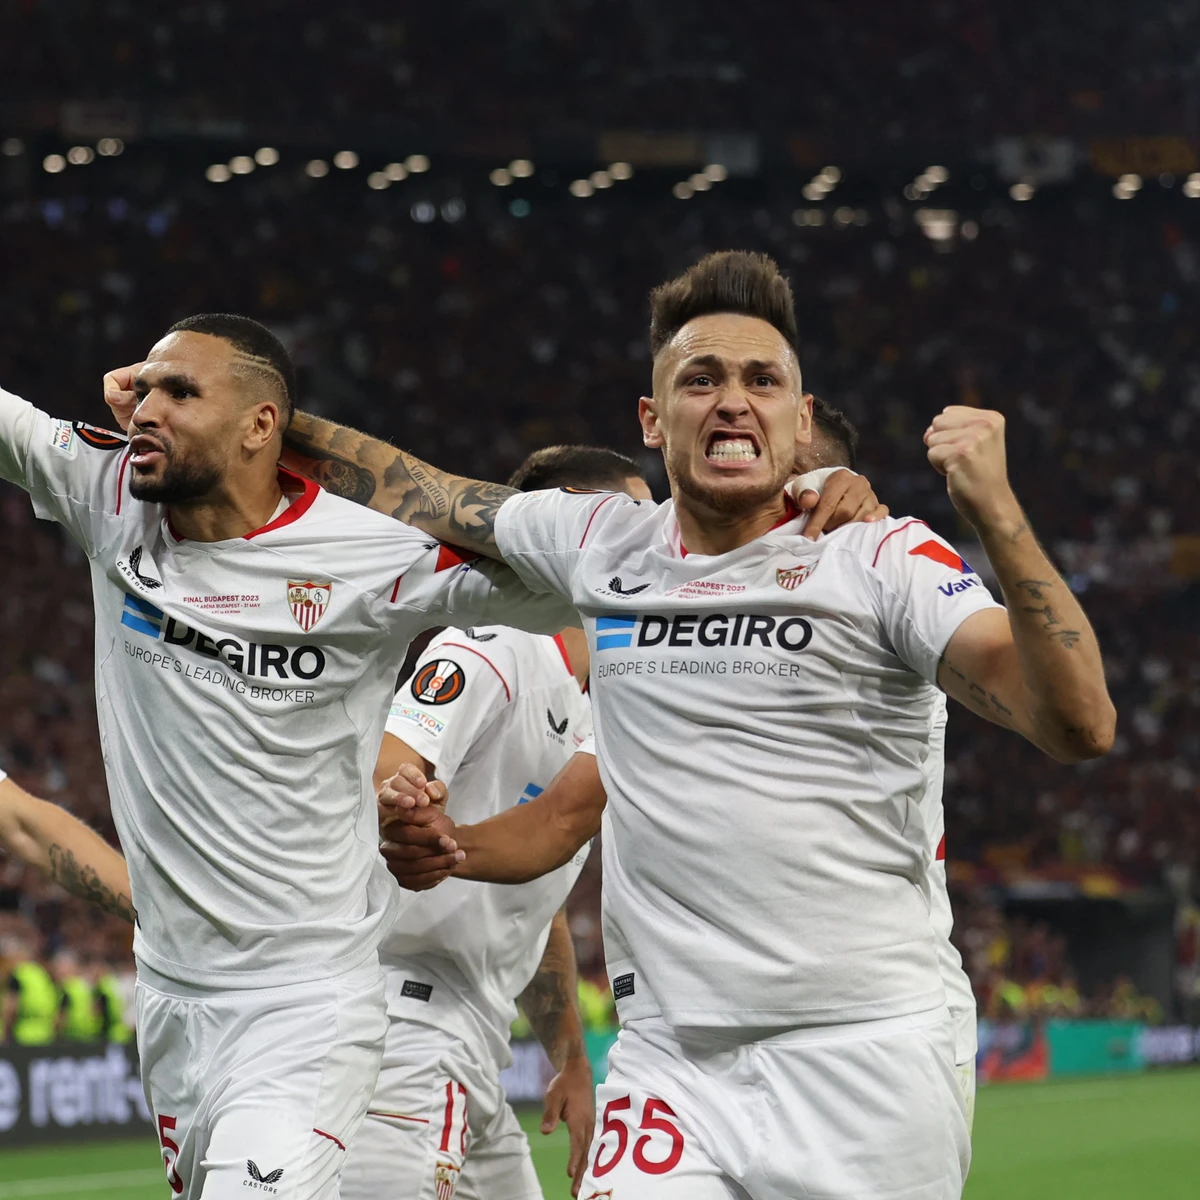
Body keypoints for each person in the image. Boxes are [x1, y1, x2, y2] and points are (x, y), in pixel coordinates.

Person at [283, 249, 1114, 1198]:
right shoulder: (601, 544)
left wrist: (997, 514)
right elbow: (415, 488)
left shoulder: (882, 558)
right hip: (669, 1061)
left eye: (763, 381)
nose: (732, 401)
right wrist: (248, 415)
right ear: (651, 418)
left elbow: (1080, 724)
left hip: (868, 1052)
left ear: (802, 424)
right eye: (700, 379)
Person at [0, 315, 573, 1200]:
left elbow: (574, 569)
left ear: (264, 426)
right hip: (170, 1001)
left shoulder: (371, 553)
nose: (145, 408)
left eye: (181, 392)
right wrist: (181, 407)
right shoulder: (104, 495)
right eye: (143, 388)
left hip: (306, 1001)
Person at [340, 445, 650, 1200]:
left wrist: (571, 1061)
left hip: (473, 1040)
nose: (663, 535)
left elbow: (532, 905)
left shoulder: (596, 696)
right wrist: (403, 801)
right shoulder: (496, 643)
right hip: (404, 1025)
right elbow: (394, 762)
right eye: (645, 513)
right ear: (579, 517)